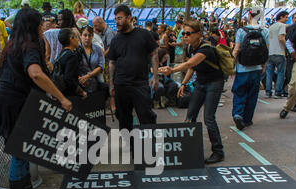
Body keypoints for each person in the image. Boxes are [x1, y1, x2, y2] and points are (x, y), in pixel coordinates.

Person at [0, 8, 72, 189]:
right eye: (40, 23)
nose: (43, 26)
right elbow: (35, 74)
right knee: (20, 152)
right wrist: (61, 97)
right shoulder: (30, 47)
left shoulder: (13, 44)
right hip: (13, 103)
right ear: (33, 25)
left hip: (8, 100)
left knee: (24, 149)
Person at [160, 20, 225, 164]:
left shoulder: (206, 48)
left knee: (209, 118)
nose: (185, 36)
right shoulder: (191, 47)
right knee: (190, 116)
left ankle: (218, 151)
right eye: (183, 33)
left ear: (199, 34)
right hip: (201, 83)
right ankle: (190, 149)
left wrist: (172, 70)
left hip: (214, 83)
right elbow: (193, 67)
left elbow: (190, 63)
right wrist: (183, 83)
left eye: (188, 33)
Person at [108, 4, 159, 134]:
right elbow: (112, 63)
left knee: (146, 116)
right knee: (124, 119)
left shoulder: (144, 34)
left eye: (119, 18)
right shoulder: (115, 40)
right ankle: (129, 146)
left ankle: (149, 146)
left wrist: (155, 76)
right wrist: (111, 84)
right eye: (115, 19)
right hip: (121, 84)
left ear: (129, 17)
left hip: (139, 84)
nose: (117, 22)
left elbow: (154, 54)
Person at [231, 7, 269, 131]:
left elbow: (236, 50)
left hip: (242, 68)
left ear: (249, 16)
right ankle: (247, 119)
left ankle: (237, 114)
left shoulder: (241, 31)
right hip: (257, 69)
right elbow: (266, 51)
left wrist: (232, 65)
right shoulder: (264, 31)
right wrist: (263, 66)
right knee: (253, 95)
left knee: (239, 92)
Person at [56, 28, 87, 98]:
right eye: (76, 37)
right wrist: (80, 91)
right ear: (71, 39)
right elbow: (68, 78)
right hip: (69, 95)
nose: (78, 40)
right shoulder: (71, 56)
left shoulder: (62, 53)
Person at [265, 11, 288, 99]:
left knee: (269, 73)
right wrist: (288, 48)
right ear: (281, 17)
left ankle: (268, 92)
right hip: (280, 52)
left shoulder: (271, 27)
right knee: (281, 73)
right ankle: (278, 92)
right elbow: (281, 38)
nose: (286, 19)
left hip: (270, 52)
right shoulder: (282, 26)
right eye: (286, 17)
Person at [78, 25, 104, 94]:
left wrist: (88, 76)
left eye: (90, 35)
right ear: (80, 36)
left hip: (95, 83)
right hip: (80, 84)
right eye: (85, 35)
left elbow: (101, 66)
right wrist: (81, 79)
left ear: (92, 36)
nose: (87, 38)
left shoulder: (98, 49)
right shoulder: (76, 49)